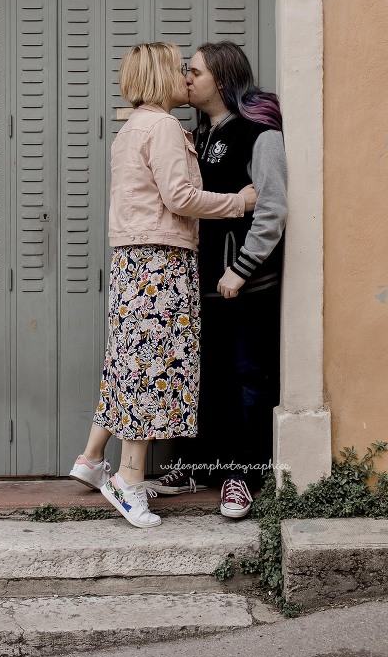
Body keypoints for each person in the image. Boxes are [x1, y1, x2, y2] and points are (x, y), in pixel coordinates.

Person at [69, 42, 256, 529]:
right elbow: (180, 197)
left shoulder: (131, 129)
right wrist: (240, 202)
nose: (185, 77)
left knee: (129, 360)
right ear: (158, 79)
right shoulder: (166, 127)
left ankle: (91, 458)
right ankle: (129, 482)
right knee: (154, 367)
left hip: (133, 260)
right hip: (161, 261)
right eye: (177, 69)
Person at [154, 42, 287, 520]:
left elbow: (272, 210)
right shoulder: (198, 135)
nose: (186, 79)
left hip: (245, 284)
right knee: (204, 377)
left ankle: (244, 476)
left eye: (195, 72)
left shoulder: (260, 135)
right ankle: (201, 466)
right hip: (202, 281)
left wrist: (242, 268)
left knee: (249, 378)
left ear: (222, 80)